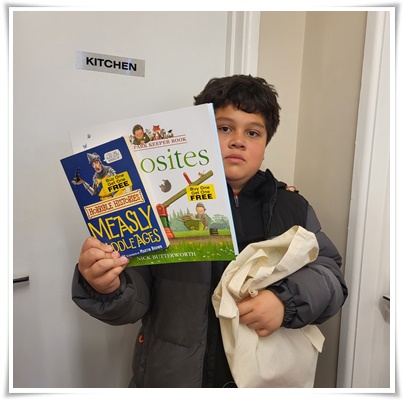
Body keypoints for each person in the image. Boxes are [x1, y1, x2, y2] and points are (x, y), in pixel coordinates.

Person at [72, 75, 348, 388]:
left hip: (262, 377)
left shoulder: (292, 206)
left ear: (265, 145)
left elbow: (330, 275)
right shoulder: (160, 204)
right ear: (199, 134)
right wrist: (106, 286)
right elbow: (133, 299)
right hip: (174, 378)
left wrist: (286, 301)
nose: (238, 141)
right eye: (224, 128)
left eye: (253, 132)